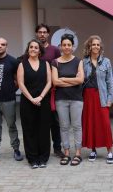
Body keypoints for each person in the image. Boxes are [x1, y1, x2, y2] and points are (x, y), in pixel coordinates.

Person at [17, 39, 52, 169]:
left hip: (43, 101)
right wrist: (32, 99)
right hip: (27, 102)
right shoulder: (22, 64)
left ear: (39, 50)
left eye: (36, 47)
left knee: (43, 130)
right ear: (28, 49)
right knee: (29, 130)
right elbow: (20, 84)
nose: (33, 49)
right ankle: (32, 159)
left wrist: (41, 96)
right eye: (31, 47)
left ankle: (43, 158)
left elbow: (49, 82)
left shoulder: (46, 64)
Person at [52, 33, 84, 166]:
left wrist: (63, 79)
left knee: (77, 126)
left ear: (72, 46)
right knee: (64, 127)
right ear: (60, 46)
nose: (66, 47)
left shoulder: (78, 61)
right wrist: (73, 81)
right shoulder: (55, 62)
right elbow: (55, 82)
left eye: (69, 45)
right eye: (64, 45)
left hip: (76, 99)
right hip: (61, 99)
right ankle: (66, 153)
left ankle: (77, 153)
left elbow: (81, 80)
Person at [82, 35, 113, 164]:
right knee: (91, 123)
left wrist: (110, 99)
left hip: (101, 96)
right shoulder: (84, 62)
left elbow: (109, 82)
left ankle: (110, 151)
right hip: (88, 97)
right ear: (89, 47)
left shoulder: (106, 62)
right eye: (93, 44)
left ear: (100, 47)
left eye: (97, 44)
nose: (95, 46)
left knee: (105, 124)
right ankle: (93, 150)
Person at [35, 24, 64, 158]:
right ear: (36, 34)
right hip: (36, 91)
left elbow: (60, 66)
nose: (42, 34)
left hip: (53, 91)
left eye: (44, 32)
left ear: (48, 34)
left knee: (55, 121)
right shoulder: (33, 49)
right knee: (40, 122)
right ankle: (41, 148)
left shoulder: (54, 50)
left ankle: (57, 148)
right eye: (40, 32)